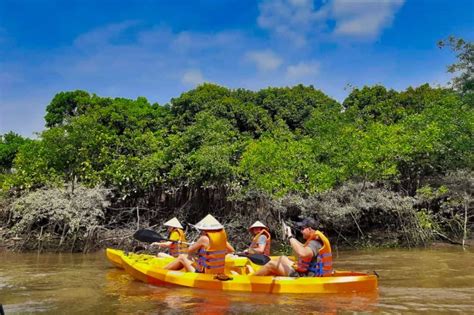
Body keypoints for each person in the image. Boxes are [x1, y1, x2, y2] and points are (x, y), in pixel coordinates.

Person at [252, 217, 333, 277]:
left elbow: (302, 253)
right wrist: (290, 237)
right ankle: (264, 274)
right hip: (305, 273)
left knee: (271, 265)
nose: (301, 231)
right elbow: (302, 247)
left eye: (302, 228)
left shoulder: (315, 243)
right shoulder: (314, 241)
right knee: (282, 258)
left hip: (306, 277)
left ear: (309, 229)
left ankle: (251, 278)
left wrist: (290, 237)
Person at [164, 214, 235, 274]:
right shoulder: (221, 239)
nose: (201, 231)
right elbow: (231, 251)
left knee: (182, 257)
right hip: (217, 272)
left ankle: (163, 271)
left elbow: (189, 251)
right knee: (190, 258)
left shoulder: (204, 239)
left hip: (204, 273)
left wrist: (194, 246)